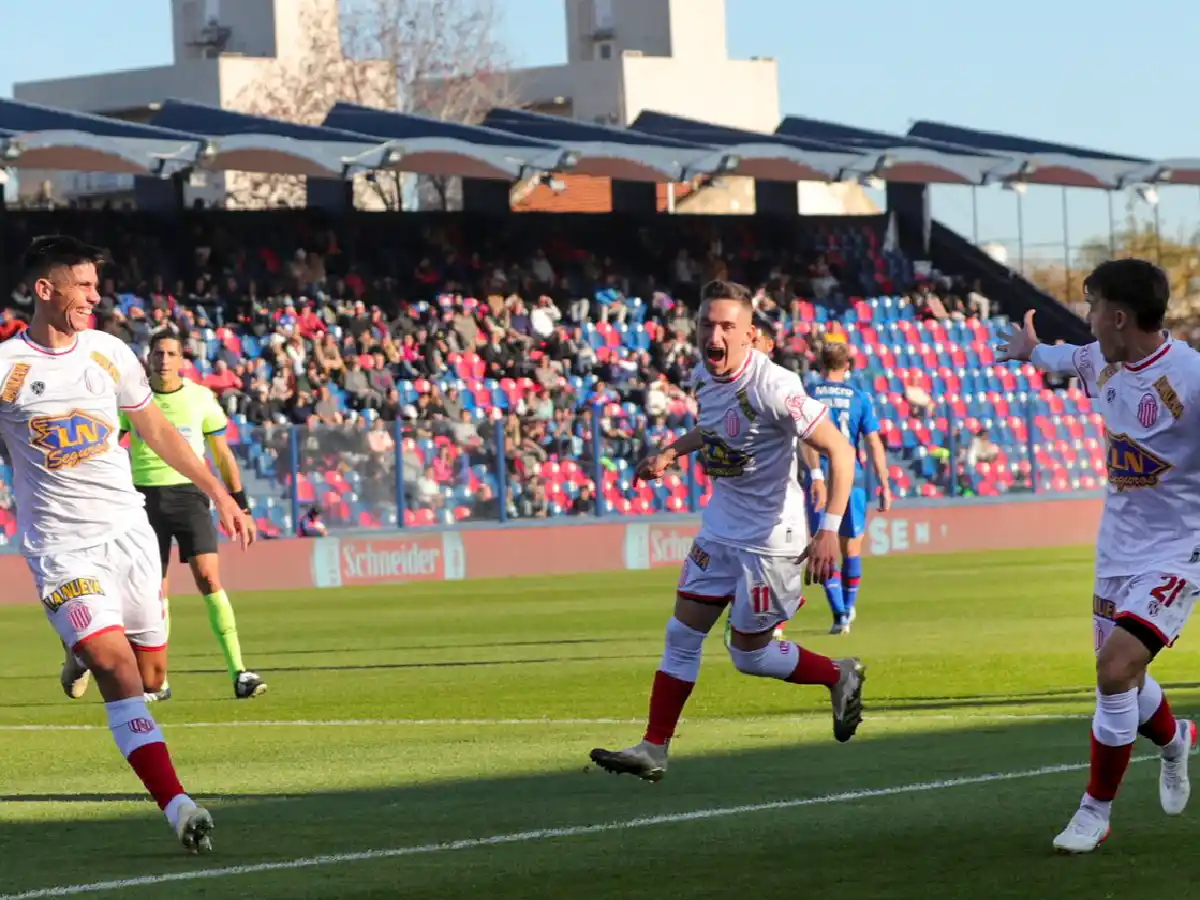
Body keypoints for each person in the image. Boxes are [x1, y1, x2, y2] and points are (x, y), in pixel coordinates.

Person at [0, 235, 251, 853]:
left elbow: (157, 430)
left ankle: (77, 651)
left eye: (96, 285)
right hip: (61, 549)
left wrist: (219, 494)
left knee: (150, 673)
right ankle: (179, 806)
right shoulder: (8, 369)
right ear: (45, 289)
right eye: (83, 286)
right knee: (118, 671)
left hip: (129, 536)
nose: (95, 296)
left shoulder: (109, 353)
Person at [589, 280, 865, 782]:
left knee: (749, 655)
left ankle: (837, 673)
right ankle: (653, 748)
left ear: (749, 334)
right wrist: (672, 451)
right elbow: (716, 427)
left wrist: (828, 530)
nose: (713, 336)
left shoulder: (775, 386)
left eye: (726, 326)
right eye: (706, 324)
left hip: (768, 541)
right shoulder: (704, 375)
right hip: (719, 530)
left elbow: (841, 451)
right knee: (681, 634)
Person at [997, 258, 1200, 854]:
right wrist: (1031, 351)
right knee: (1126, 678)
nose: (1086, 318)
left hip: (1178, 551)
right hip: (1116, 552)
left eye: (1092, 307)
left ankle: (1095, 811)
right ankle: (1175, 740)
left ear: (1118, 317)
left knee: (1113, 671)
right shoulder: (1101, 360)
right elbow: (1065, 358)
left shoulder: (1190, 377)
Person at [117, 329, 266, 703]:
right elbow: (108, 446)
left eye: (171, 354)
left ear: (182, 359)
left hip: (190, 495)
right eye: (158, 353)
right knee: (155, 592)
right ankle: (158, 682)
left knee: (209, 578)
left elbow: (222, 455)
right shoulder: (131, 400)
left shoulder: (200, 398)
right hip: (144, 499)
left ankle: (239, 672)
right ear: (148, 358)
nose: (164, 360)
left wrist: (241, 504)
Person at [807, 342, 892, 633]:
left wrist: (815, 474)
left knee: (824, 545)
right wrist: (884, 482)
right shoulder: (859, 397)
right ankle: (849, 605)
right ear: (847, 366)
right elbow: (873, 443)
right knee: (851, 547)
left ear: (821, 364)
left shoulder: (810, 394)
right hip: (850, 478)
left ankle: (839, 614)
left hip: (820, 479)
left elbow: (803, 439)